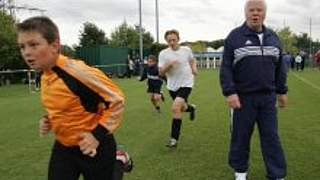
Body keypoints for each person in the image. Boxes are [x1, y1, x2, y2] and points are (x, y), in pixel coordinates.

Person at [17, 16, 125, 180]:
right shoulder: (45, 74)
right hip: (64, 147)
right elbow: (71, 105)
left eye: (33, 45)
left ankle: (120, 160)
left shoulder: (78, 72)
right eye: (22, 47)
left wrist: (96, 135)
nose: (26, 52)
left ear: (55, 45)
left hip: (95, 147)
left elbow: (116, 100)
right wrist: (49, 120)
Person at [219, 0, 287, 180]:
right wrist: (230, 92)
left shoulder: (274, 37)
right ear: (245, 12)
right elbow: (225, 67)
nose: (255, 13)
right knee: (240, 138)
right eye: (251, 10)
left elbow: (280, 67)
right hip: (242, 99)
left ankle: (277, 174)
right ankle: (240, 172)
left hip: (268, 99)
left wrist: (282, 91)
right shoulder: (234, 37)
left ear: (264, 13)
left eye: (259, 10)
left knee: (271, 138)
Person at [158, 29, 198, 148]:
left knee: (175, 108)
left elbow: (192, 60)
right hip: (172, 85)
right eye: (169, 40)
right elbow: (161, 73)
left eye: (174, 40)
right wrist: (169, 65)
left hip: (186, 83)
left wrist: (194, 68)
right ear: (166, 41)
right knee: (182, 107)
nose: (171, 42)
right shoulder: (163, 54)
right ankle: (191, 108)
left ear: (178, 39)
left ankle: (174, 139)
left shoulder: (186, 50)